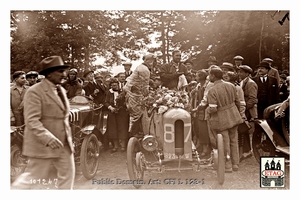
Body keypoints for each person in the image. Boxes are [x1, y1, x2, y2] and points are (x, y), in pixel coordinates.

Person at [12, 56, 75, 189]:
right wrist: (48, 137)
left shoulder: (61, 90)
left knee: (68, 174)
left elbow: (62, 117)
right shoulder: (34, 91)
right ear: (49, 73)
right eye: (60, 71)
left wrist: (68, 138)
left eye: (64, 71)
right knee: (33, 178)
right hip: (42, 143)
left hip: (63, 143)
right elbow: (31, 120)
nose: (64, 74)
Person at [206, 67, 243, 172]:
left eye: (209, 75)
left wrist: (207, 110)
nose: (209, 77)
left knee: (224, 142)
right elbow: (238, 102)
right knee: (234, 140)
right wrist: (237, 113)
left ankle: (228, 164)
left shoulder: (212, 90)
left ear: (213, 76)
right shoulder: (231, 85)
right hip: (234, 115)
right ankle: (235, 164)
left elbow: (213, 109)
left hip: (221, 119)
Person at [123, 53, 157, 137]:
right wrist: (150, 96)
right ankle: (134, 135)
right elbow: (145, 87)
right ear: (148, 61)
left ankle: (135, 134)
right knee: (136, 115)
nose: (154, 63)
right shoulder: (144, 70)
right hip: (134, 94)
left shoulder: (142, 68)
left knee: (137, 114)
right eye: (153, 61)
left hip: (134, 92)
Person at [237, 65, 258, 162]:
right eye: (239, 72)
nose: (239, 73)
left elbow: (253, 99)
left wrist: (244, 108)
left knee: (244, 130)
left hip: (249, 110)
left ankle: (247, 151)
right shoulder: (242, 82)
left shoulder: (250, 83)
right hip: (245, 109)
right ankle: (246, 150)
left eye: (241, 72)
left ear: (247, 73)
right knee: (243, 131)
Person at [104, 78, 129, 152]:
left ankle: (123, 146)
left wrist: (123, 105)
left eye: (115, 85)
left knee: (122, 128)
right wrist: (110, 107)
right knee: (113, 129)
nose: (114, 86)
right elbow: (106, 102)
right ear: (110, 86)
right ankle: (115, 146)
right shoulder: (109, 92)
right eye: (112, 85)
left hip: (122, 112)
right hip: (112, 112)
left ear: (118, 85)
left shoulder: (122, 92)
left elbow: (126, 101)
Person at [190, 69, 210, 157]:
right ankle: (200, 146)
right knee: (198, 129)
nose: (195, 77)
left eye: (197, 76)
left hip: (204, 111)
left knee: (204, 131)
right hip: (198, 111)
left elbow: (205, 99)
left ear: (201, 77)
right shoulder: (198, 85)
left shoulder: (207, 86)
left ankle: (205, 150)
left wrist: (197, 108)